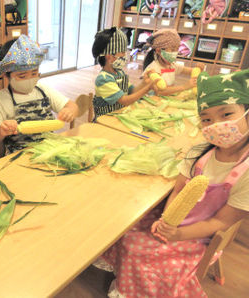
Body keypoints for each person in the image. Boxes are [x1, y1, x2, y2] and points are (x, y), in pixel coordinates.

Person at [94, 69, 249, 297]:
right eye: (206, 118)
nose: (216, 124)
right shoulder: (199, 153)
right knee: (122, 230)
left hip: (200, 235)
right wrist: (167, 219)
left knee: (136, 250)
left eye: (226, 115)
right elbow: (178, 190)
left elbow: (219, 221)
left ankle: (134, 288)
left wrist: (177, 235)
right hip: (174, 221)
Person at [0, 35, 79, 154]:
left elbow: (73, 106)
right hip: (19, 155)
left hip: (50, 148)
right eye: (22, 76)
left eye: (34, 73)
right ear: (6, 75)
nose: (29, 79)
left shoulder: (43, 90)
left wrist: (69, 111)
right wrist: (1, 132)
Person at [91, 27, 156, 120]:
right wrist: (147, 88)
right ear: (109, 57)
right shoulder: (103, 79)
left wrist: (144, 82)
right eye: (122, 52)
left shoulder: (119, 73)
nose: (125, 55)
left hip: (119, 115)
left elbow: (132, 91)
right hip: (105, 120)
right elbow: (124, 101)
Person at [143, 29, 205, 96]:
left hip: (167, 98)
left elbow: (191, 71)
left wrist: (199, 68)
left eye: (177, 49)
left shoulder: (172, 66)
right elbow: (160, 92)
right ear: (158, 51)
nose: (175, 52)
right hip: (154, 100)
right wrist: (184, 87)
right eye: (172, 49)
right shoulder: (153, 69)